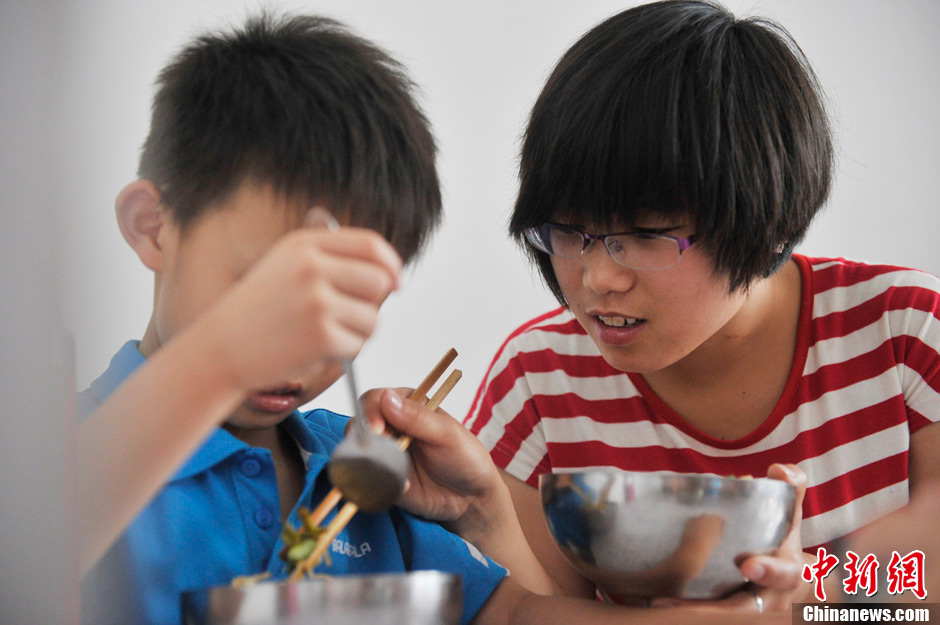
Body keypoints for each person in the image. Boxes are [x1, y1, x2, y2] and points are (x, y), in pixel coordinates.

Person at [77, 11, 777, 625]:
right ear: (154, 226)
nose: (294, 348)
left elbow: (514, 614)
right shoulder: (64, 451)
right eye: (269, 291)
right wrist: (220, 355)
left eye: (342, 304)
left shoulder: (356, 465)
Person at [465, 0, 940, 612]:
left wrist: (812, 597)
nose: (599, 278)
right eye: (567, 231)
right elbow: (535, 608)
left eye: (646, 235)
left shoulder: (906, 331)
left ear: (766, 223)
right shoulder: (536, 380)